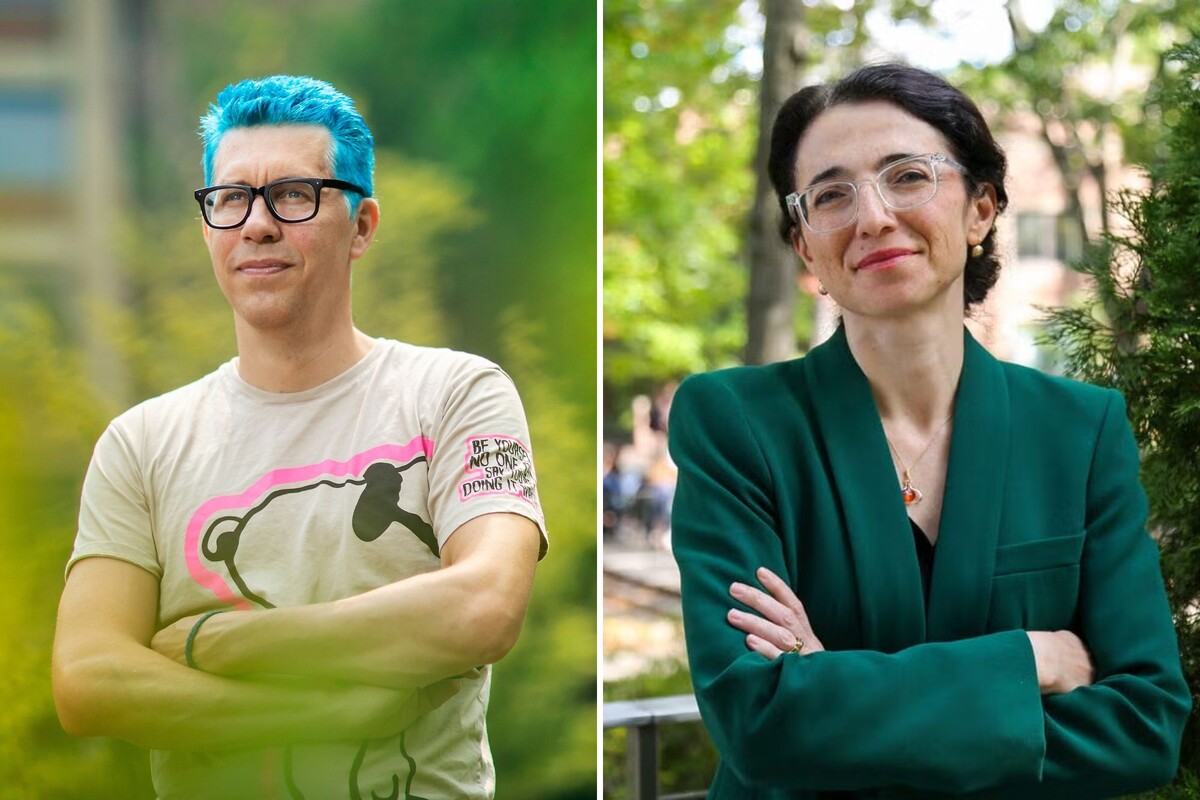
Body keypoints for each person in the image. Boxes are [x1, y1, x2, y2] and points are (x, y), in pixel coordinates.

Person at [668, 63, 1190, 799]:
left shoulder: (1081, 430)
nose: (873, 216)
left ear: (980, 208)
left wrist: (834, 696)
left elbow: (1143, 728)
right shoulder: (736, 423)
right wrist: (1027, 662)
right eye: (831, 194)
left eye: (907, 176)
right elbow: (759, 722)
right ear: (806, 247)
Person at [52, 75, 547, 800]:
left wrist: (218, 642)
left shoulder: (456, 395)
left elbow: (484, 606)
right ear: (208, 227)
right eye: (230, 199)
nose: (256, 225)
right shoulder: (141, 443)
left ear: (364, 225)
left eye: (292, 194)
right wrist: (318, 709)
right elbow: (87, 678)